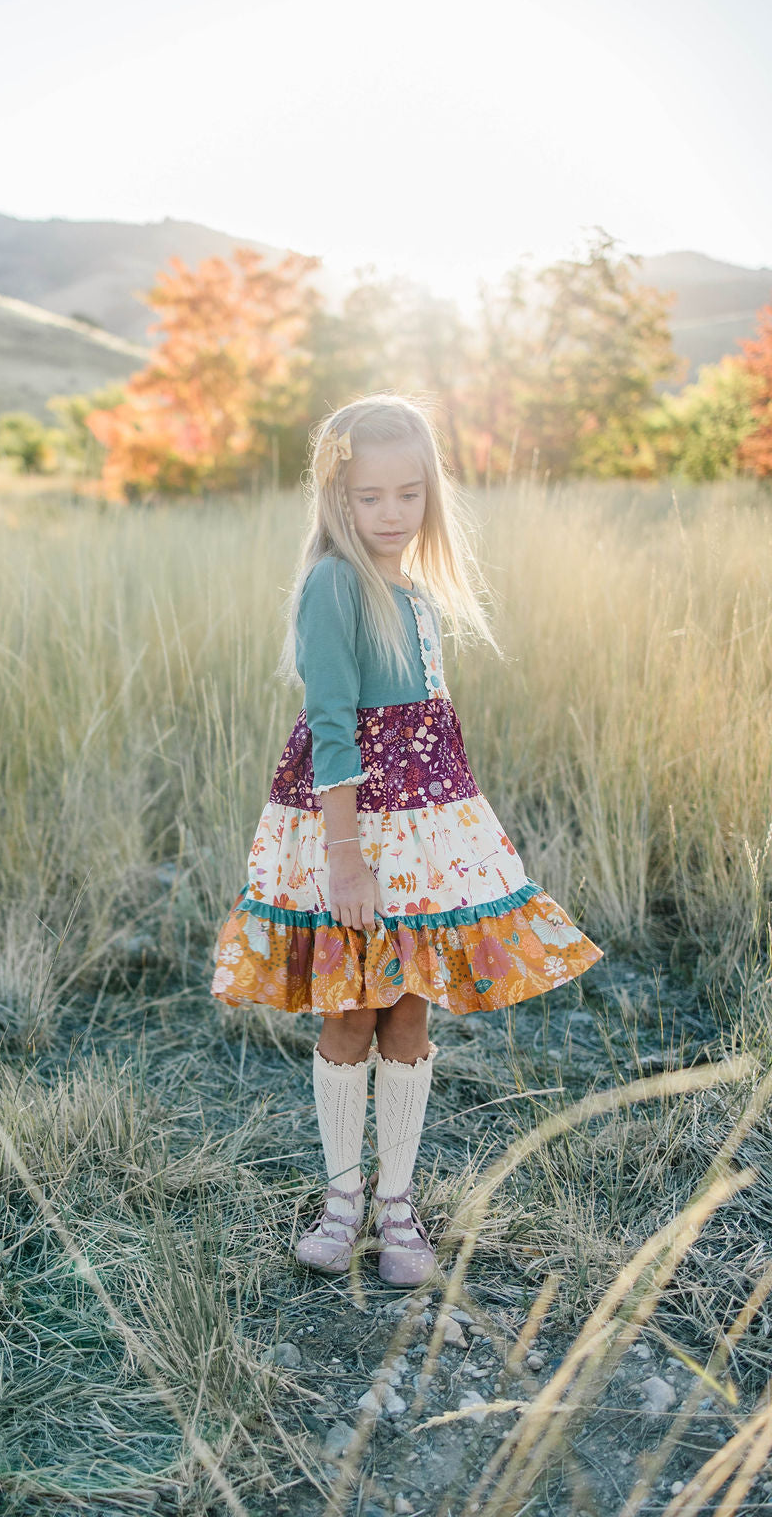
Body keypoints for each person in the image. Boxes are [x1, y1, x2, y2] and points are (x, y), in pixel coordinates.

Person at [209, 393, 604, 1288]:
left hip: (425, 833)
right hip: (349, 831)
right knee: (350, 1006)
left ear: (431, 494)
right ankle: (341, 1198)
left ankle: (399, 1206)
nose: (390, 515)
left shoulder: (414, 591)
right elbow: (334, 725)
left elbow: (426, 730)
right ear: (333, 496)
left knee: (410, 1005)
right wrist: (343, 858)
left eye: (409, 495)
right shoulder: (334, 584)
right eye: (369, 497)